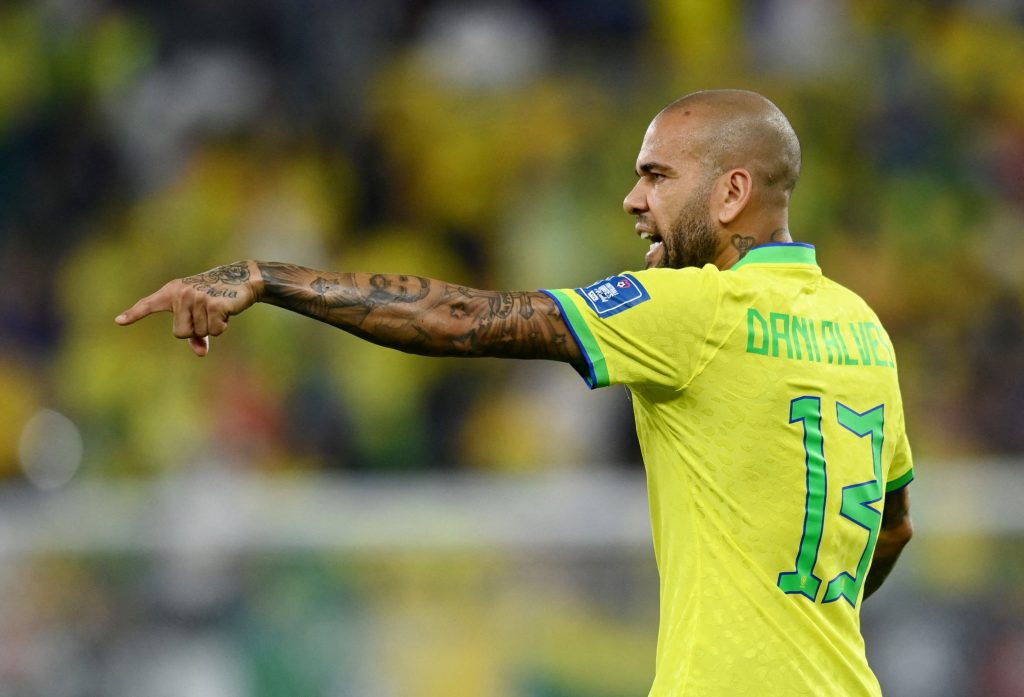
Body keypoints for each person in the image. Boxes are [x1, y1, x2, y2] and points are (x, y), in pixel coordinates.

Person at [117, 89, 914, 696]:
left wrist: (266, 276)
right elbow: (893, 526)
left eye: (657, 176)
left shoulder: (699, 309)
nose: (634, 199)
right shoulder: (861, 328)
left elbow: (462, 319)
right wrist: (798, 609)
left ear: (732, 193)